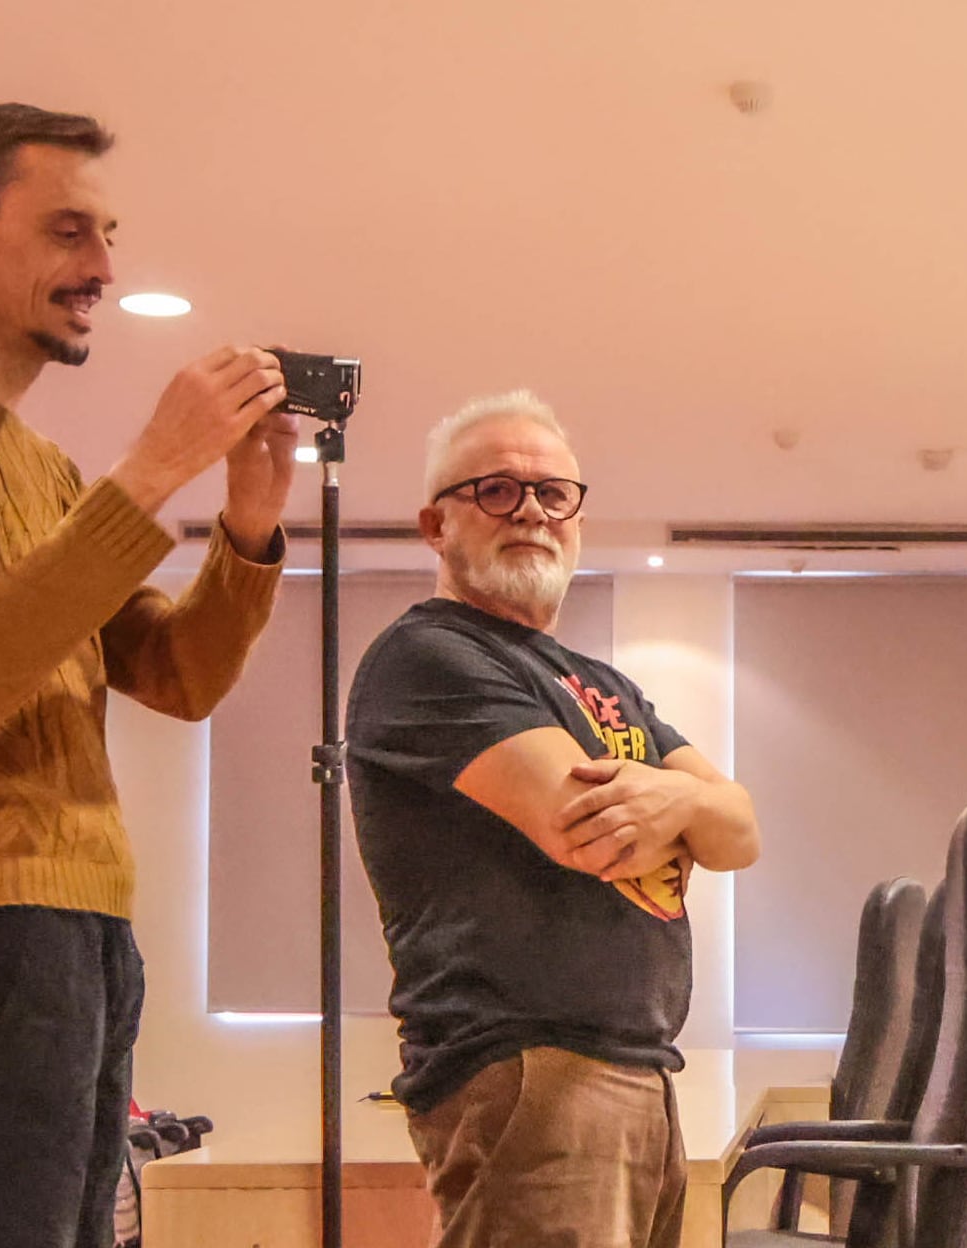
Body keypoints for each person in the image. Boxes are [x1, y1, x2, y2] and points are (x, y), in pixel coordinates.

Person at [0, 102, 297, 1248]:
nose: (104, 269)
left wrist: (248, 528)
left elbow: (177, 676)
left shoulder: (44, 464)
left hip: (78, 920)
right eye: (70, 231)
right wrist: (151, 470)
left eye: (107, 236)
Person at [346, 391, 762, 1247]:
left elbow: (740, 832)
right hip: (529, 1069)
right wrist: (686, 803)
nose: (531, 511)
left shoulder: (600, 683)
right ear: (435, 524)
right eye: (495, 491)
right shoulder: (428, 656)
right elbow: (587, 828)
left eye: (553, 493)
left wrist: (682, 803)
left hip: (633, 1067)